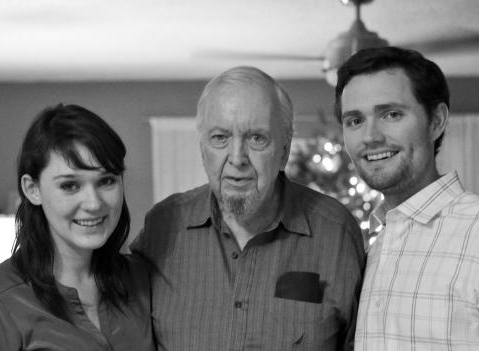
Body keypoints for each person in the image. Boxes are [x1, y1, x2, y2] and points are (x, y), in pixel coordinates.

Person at [131, 66, 366, 350]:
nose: (237, 158)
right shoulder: (162, 227)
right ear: (202, 149)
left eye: (257, 138)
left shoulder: (336, 233)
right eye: (220, 138)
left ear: (284, 151)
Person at [335, 46, 479, 350]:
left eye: (392, 114)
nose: (370, 136)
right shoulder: (373, 245)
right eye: (355, 120)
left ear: (436, 121)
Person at [0, 104, 156, 351]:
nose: (93, 203)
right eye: (70, 186)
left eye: (107, 181)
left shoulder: (143, 280)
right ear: (32, 189)